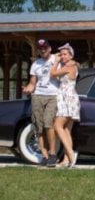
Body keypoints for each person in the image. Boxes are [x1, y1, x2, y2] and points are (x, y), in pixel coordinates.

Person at [22, 39, 59, 167]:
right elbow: (32, 84)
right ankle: (44, 155)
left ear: (49, 48)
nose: (43, 50)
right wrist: (27, 89)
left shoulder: (57, 59)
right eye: (40, 48)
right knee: (39, 127)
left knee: (49, 124)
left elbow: (71, 61)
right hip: (37, 96)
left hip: (53, 96)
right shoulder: (35, 64)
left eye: (45, 47)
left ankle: (53, 154)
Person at [50, 43, 80, 168]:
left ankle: (71, 154)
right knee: (67, 130)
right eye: (61, 54)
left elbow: (52, 73)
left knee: (57, 126)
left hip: (67, 98)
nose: (62, 56)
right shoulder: (72, 65)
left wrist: (56, 61)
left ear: (71, 55)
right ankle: (66, 160)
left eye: (65, 54)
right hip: (69, 97)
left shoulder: (68, 66)